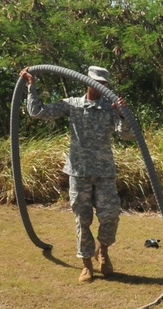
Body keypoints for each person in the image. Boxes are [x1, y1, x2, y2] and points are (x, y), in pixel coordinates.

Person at [19, 65, 133, 282]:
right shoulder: (73, 104)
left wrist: (123, 114)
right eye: (96, 82)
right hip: (78, 172)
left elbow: (126, 135)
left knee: (110, 215)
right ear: (87, 82)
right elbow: (37, 112)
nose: (99, 86)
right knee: (83, 219)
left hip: (104, 172)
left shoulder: (110, 108)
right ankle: (87, 264)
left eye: (104, 83)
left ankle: (104, 251)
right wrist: (31, 87)